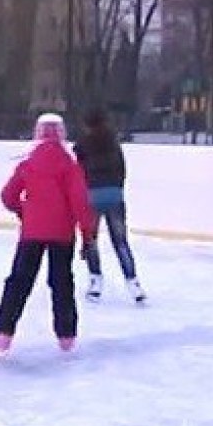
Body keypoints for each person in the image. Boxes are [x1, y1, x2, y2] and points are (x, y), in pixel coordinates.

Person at [0, 113, 96, 360]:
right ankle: (66, 337)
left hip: (32, 232)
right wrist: (88, 234)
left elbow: (7, 196)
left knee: (18, 283)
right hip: (62, 233)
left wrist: (24, 212)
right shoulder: (71, 166)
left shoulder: (28, 164)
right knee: (61, 283)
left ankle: (2, 334)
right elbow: (80, 202)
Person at [73, 108, 145, 304]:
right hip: (114, 195)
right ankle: (133, 283)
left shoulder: (82, 145)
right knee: (121, 242)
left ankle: (95, 281)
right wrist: (116, 188)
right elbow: (122, 170)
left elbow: (77, 173)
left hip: (92, 196)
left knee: (91, 240)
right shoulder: (114, 144)